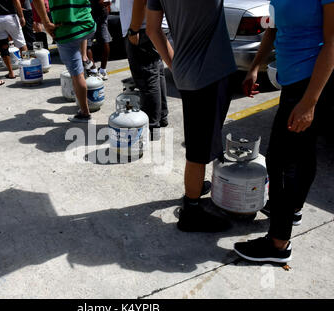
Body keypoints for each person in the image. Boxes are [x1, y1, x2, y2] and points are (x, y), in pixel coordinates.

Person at [234, 0, 334, 263]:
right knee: (303, 149)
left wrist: (309, 102)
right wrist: (255, 66)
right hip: (292, 80)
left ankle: (278, 243)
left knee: (279, 160)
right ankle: (292, 208)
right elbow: (273, 28)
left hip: (315, 83)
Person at [146, 0, 237, 232]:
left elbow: (152, 29)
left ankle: (194, 193)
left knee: (199, 141)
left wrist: (175, 65)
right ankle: (192, 209)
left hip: (188, 72)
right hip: (211, 73)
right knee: (199, 149)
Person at [33, 0, 96, 123]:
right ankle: (85, 58)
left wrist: (46, 22)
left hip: (67, 30)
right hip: (88, 24)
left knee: (77, 75)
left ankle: (85, 113)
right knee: (80, 45)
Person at [120, 0, 169, 141]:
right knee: (156, 74)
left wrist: (133, 29)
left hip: (142, 29)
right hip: (152, 26)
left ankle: (151, 127)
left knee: (147, 78)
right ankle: (160, 117)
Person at [0, 0, 28, 79]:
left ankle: (11, 72)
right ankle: (26, 68)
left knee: (3, 45)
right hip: (10, 15)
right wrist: (21, 16)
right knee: (21, 44)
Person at [85, 0, 112, 80]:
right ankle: (102, 70)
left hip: (90, 12)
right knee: (104, 40)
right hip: (102, 11)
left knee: (87, 44)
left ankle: (94, 71)